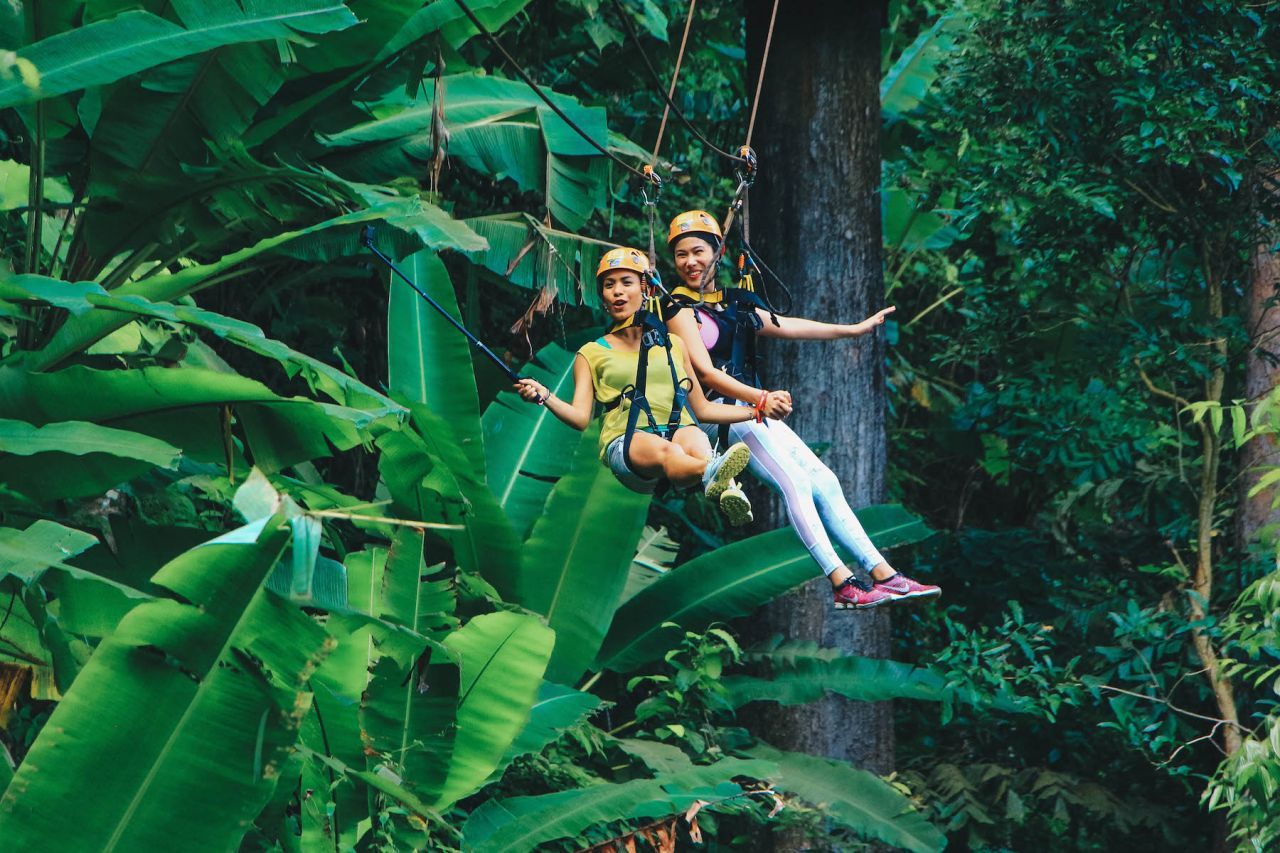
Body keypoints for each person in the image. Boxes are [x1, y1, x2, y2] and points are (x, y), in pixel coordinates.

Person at [662, 209, 942, 610]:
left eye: (698, 252)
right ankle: (842, 582)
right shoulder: (678, 311)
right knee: (796, 482)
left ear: (716, 253)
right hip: (721, 415)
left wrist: (853, 329)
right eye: (681, 255)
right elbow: (705, 373)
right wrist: (761, 399)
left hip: (750, 409)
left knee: (825, 481)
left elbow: (790, 325)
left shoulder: (735, 304)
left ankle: (885, 575)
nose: (690, 262)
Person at [514, 247, 758, 524]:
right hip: (627, 443)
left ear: (647, 290)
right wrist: (545, 396)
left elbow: (701, 408)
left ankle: (720, 483)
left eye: (626, 283)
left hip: (678, 429)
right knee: (670, 452)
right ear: (603, 298)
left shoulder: (673, 344)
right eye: (609, 285)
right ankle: (716, 476)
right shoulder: (591, 353)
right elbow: (581, 418)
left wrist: (756, 410)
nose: (617, 291)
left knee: (696, 440)